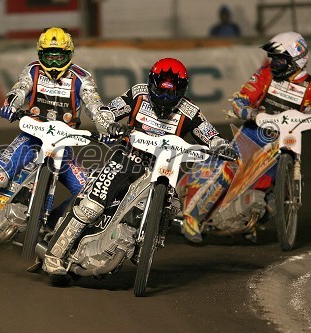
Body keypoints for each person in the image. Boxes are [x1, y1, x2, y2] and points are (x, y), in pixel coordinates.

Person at [42, 57, 238, 276]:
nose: (165, 98)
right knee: (92, 205)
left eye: (171, 93)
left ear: (182, 90)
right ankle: (55, 254)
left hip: (162, 168)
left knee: (173, 206)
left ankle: (147, 242)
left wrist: (222, 146)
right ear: (151, 83)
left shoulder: (190, 111)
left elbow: (211, 135)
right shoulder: (137, 93)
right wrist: (112, 125)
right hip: (128, 157)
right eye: (161, 91)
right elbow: (107, 112)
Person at [0, 27, 105, 258]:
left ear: (69, 54)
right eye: (48, 55)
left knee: (87, 194)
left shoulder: (83, 78)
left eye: (59, 55)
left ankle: (51, 225)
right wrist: (10, 103)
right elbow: (19, 89)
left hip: (63, 144)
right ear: (40, 53)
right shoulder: (32, 70)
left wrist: (108, 126)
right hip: (31, 138)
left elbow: (96, 107)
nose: (53, 60)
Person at [181, 31, 311, 243]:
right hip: (253, 135)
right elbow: (242, 98)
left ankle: (250, 222)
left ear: (296, 60)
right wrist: (248, 110)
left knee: (278, 190)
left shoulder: (309, 87)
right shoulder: (265, 74)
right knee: (229, 169)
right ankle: (193, 217)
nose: (274, 63)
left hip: (285, 142)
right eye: (273, 58)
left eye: (280, 59)